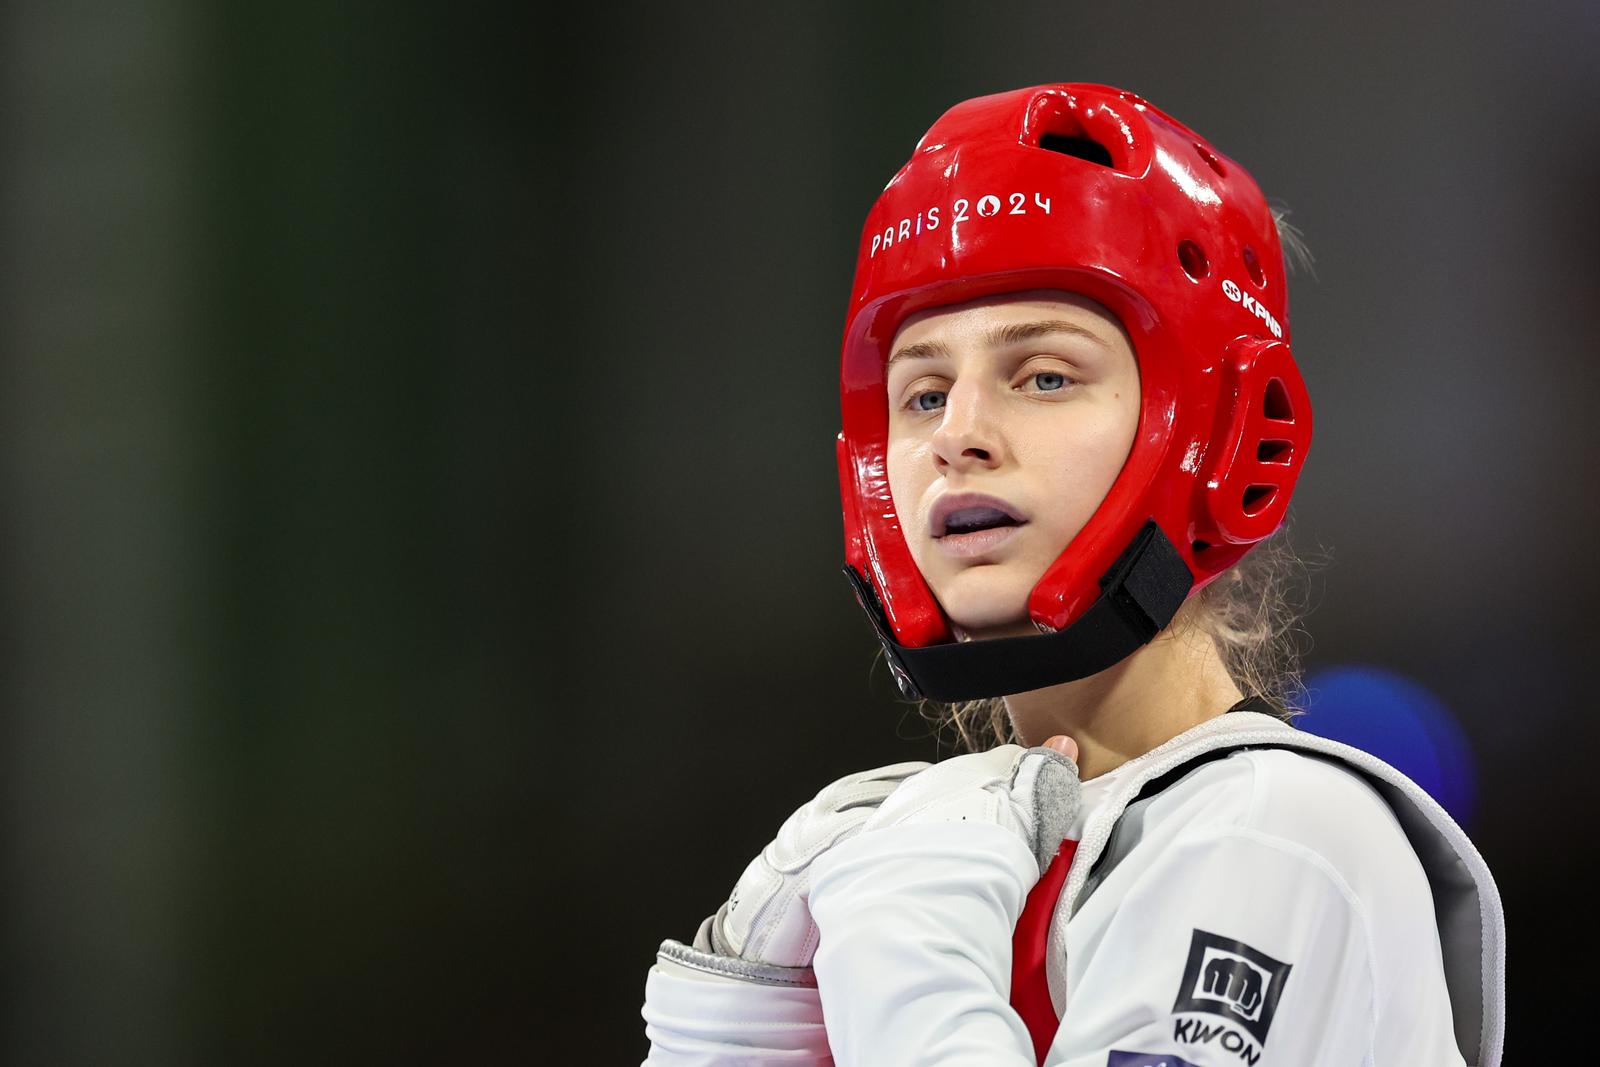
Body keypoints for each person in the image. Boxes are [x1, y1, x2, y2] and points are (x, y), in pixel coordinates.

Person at [639, 82, 1505, 1066]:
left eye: (1044, 374)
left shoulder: (1280, 833)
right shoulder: (957, 849)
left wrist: (903, 959)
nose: (956, 435)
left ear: (1224, 432)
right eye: (922, 390)